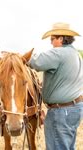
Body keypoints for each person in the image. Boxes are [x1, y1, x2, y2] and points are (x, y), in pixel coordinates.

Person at [28, 22, 83, 150]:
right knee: (67, 146)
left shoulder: (59, 53)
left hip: (61, 112)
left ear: (61, 39)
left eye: (52, 39)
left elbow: (35, 62)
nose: (51, 43)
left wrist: (16, 57)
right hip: (74, 108)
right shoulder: (76, 54)